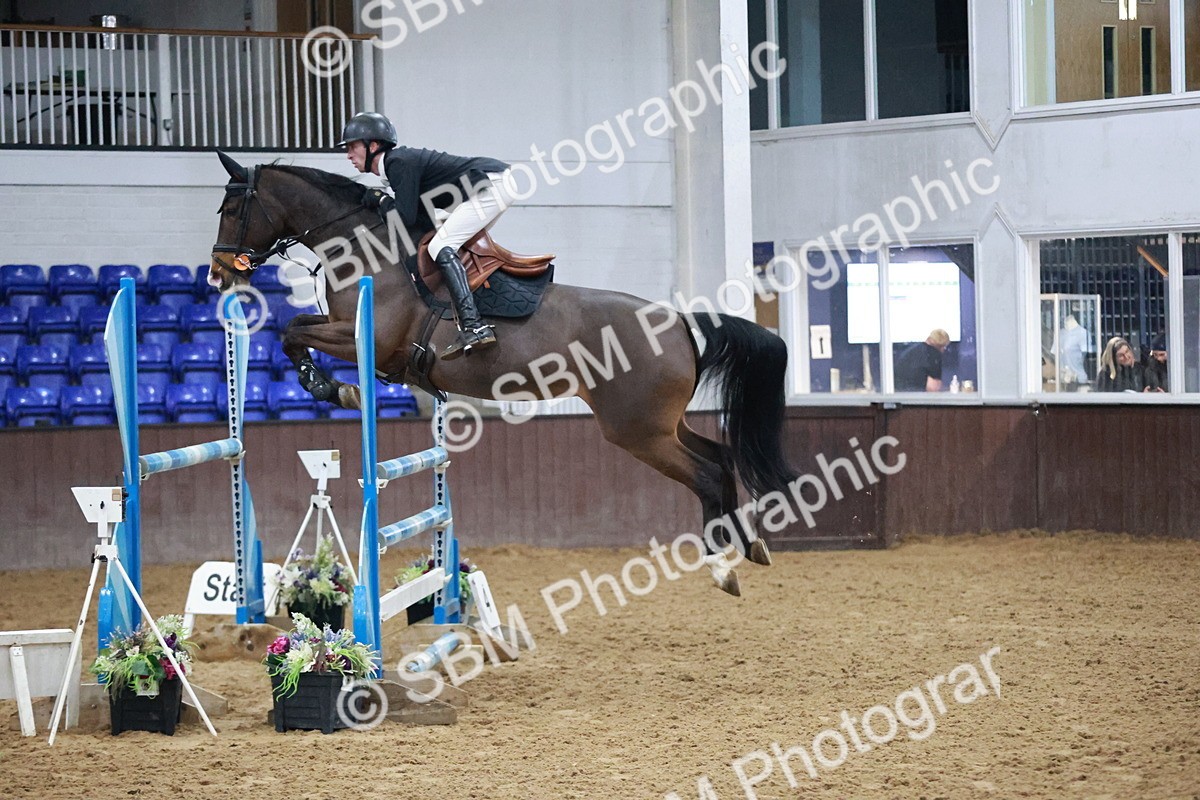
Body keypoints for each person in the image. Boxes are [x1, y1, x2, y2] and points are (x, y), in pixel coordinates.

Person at [338, 111, 512, 360]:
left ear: (373, 145)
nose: (349, 155)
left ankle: (474, 326)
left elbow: (405, 217)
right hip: (491, 184)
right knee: (442, 242)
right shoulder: (397, 167)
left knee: (441, 246)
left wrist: (379, 199)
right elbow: (420, 221)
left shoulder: (398, 162)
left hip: (492, 184)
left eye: (353, 147)